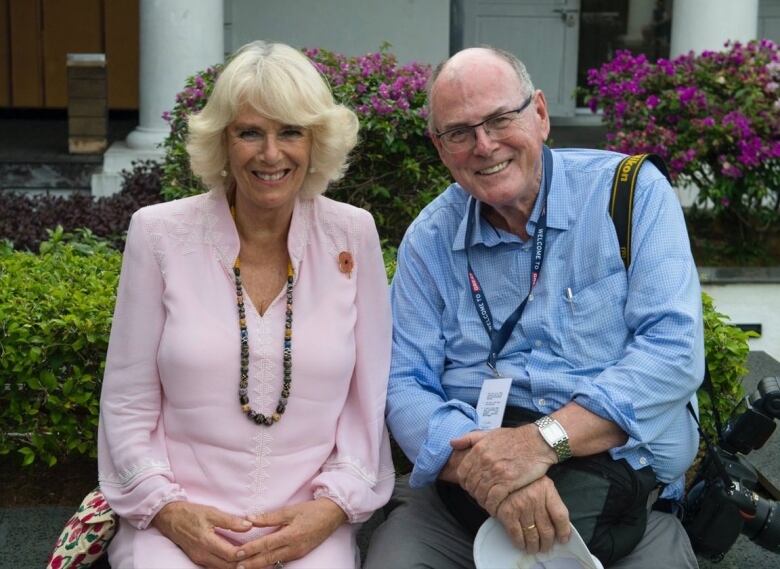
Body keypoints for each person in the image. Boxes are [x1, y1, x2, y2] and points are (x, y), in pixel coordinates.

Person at [364, 46, 703, 569]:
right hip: (467, 498)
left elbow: (673, 353)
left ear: (540, 114)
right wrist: (497, 472)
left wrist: (542, 445)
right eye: (459, 132)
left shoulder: (630, 195)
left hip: (621, 495)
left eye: (500, 119)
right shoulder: (428, 241)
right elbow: (405, 384)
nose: (484, 145)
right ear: (440, 147)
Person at [97, 40, 394, 569]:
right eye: (250, 132)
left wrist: (328, 510)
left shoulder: (353, 234)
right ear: (223, 142)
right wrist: (167, 509)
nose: (271, 153)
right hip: (177, 519)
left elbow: (365, 408)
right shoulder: (159, 234)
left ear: (317, 141)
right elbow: (126, 404)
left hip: (306, 522)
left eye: (290, 132)